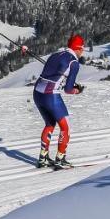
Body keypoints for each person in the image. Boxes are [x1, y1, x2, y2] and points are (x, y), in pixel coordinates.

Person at [32, 34, 85, 169]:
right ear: (78, 48)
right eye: (82, 49)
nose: (82, 52)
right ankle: (60, 159)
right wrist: (77, 91)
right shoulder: (74, 63)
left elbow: (54, 73)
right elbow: (68, 89)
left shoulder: (56, 54)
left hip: (38, 92)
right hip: (51, 95)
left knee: (49, 124)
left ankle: (43, 158)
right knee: (65, 127)